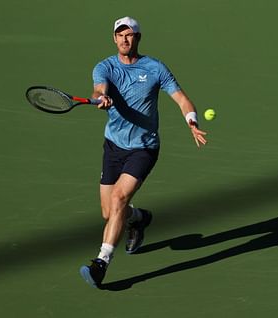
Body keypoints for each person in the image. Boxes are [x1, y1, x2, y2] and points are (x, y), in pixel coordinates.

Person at [79, 16, 207, 288]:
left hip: (144, 147)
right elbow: (99, 87)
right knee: (109, 212)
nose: (125, 39)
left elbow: (181, 99)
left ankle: (101, 262)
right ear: (114, 39)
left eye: (130, 35)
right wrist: (101, 97)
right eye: (120, 35)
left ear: (138, 38)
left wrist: (192, 121)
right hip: (113, 146)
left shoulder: (156, 68)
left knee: (119, 198)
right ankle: (139, 219)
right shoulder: (104, 67)